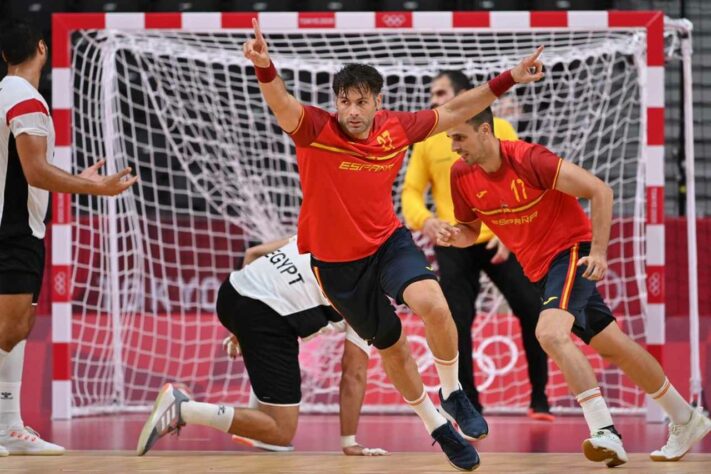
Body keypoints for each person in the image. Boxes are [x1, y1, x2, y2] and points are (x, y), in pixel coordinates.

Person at [242, 18, 544, 471]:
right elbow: (282, 103)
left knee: (435, 304)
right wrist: (266, 68)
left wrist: (506, 80)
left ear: (377, 101)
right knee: (394, 347)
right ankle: (438, 428)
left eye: (361, 102)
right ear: (336, 104)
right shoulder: (314, 130)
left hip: (388, 243)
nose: (353, 111)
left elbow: (458, 110)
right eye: (344, 102)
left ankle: (454, 391)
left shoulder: (396, 128)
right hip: (337, 267)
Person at [436, 106, 711, 467]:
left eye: (459, 137)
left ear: (485, 131)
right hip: (539, 271)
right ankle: (686, 419)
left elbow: (600, 190)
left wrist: (599, 252)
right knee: (616, 347)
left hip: (572, 254)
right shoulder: (461, 175)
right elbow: (470, 229)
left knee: (549, 333)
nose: (454, 146)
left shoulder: (530, 159)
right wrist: (456, 236)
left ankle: (604, 430)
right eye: (450, 139)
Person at [0, 20, 138, 456]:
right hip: (13, 228)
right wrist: (97, 187)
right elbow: (35, 170)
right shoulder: (24, 97)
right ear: (43, 47)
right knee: (10, 326)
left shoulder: (7, 93)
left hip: (20, 224)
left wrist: (75, 178)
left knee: (17, 327)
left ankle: (9, 426)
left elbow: (31, 171)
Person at [137, 237, 387, 457]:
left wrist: (239, 330)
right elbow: (353, 374)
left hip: (232, 291)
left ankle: (258, 428)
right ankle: (184, 409)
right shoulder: (370, 300)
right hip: (265, 317)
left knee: (283, 345)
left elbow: (253, 254)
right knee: (281, 430)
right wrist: (349, 442)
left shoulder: (321, 233)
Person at [402, 70, 551, 420]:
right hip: (455, 241)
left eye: (440, 93)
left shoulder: (499, 129)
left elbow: (526, 180)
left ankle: (540, 399)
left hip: (503, 238)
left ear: (465, 95)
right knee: (456, 321)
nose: (433, 100)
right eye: (432, 93)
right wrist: (427, 221)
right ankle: (470, 404)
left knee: (533, 310)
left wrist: (510, 229)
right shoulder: (428, 139)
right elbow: (410, 191)